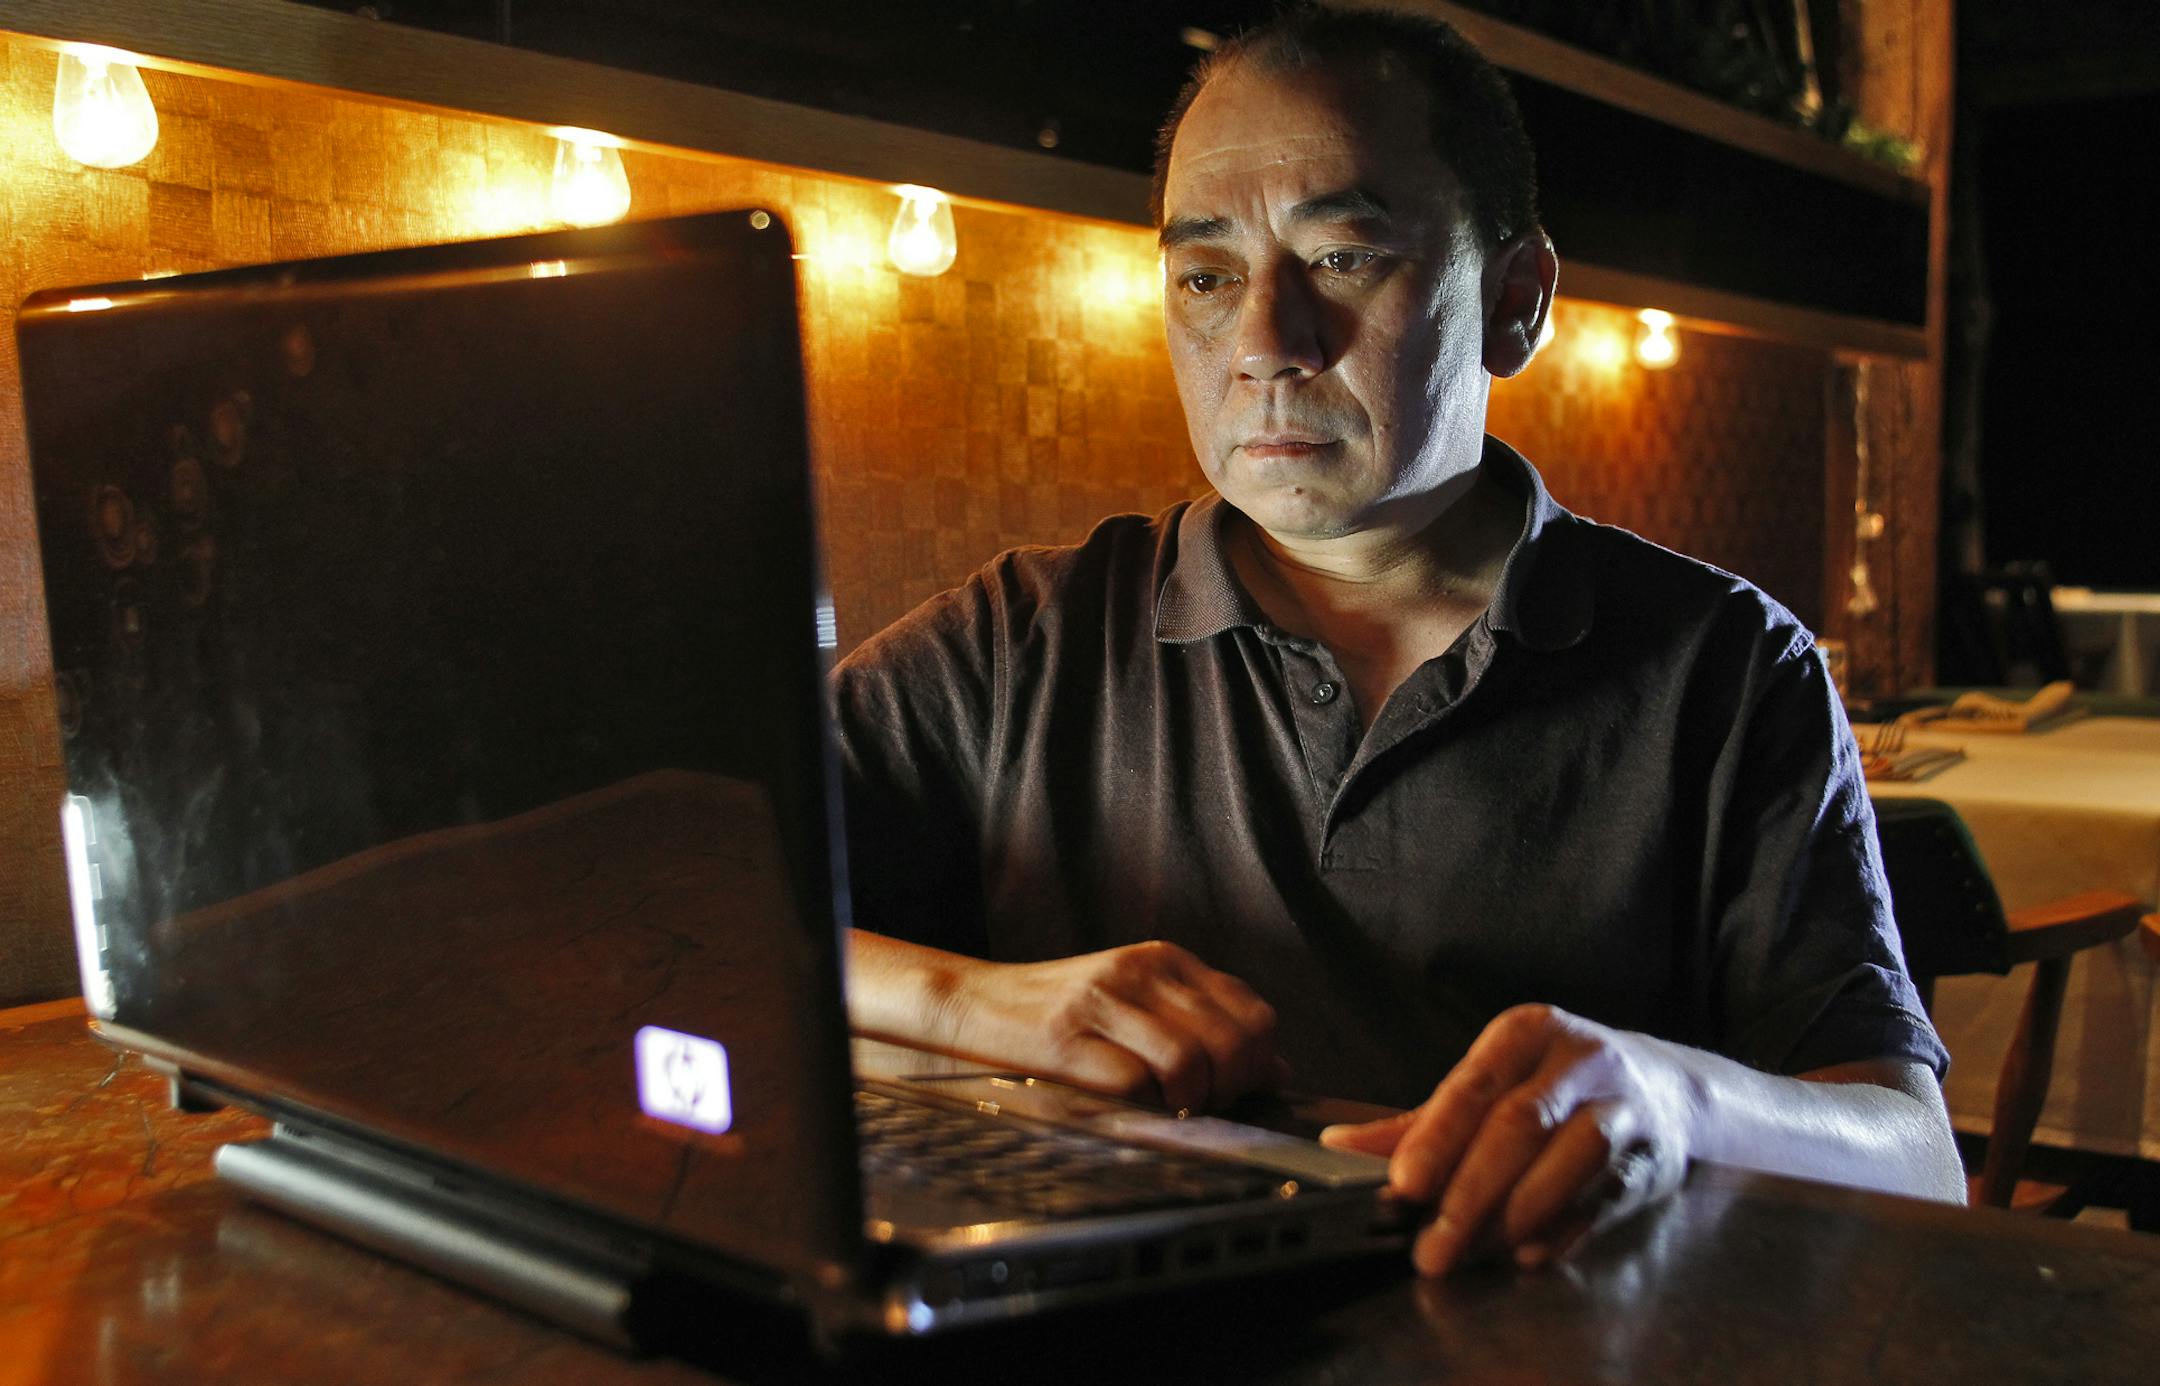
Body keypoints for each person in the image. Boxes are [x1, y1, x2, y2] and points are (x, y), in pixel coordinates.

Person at [833, 4, 1964, 1277]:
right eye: (1207, 278)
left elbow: (1919, 1159)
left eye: (1346, 259)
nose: (1266, 343)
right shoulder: (1022, 640)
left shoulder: (1727, 669)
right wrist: (971, 1005)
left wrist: (1678, 1105)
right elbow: (644, 904)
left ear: (1519, 302)